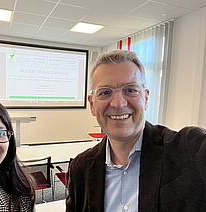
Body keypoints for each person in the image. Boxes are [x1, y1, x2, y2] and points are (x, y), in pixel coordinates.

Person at [66, 50, 206, 212]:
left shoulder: (189, 149)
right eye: (105, 92)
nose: (118, 104)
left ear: (145, 98)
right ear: (92, 104)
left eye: (130, 90)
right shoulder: (80, 168)